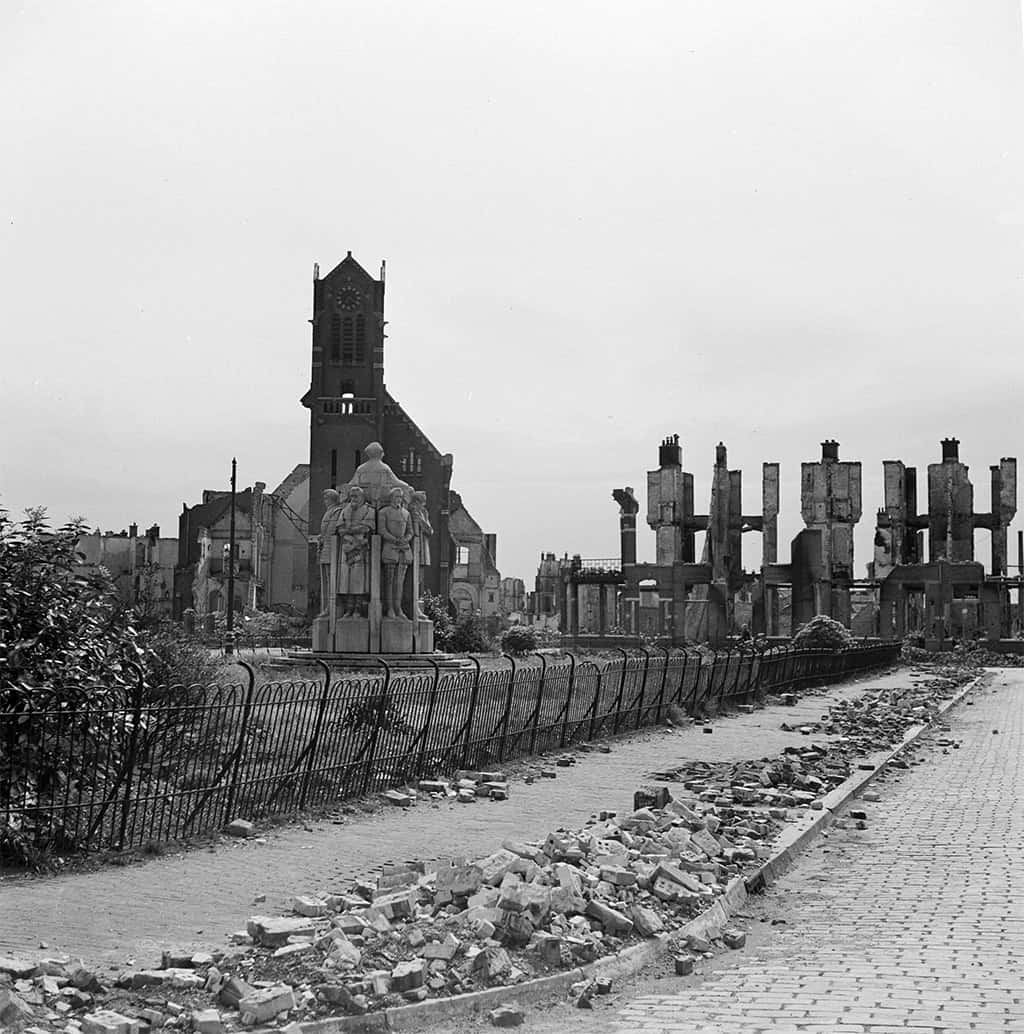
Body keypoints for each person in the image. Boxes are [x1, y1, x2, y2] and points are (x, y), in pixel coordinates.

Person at [336, 485, 375, 617]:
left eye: (356, 496)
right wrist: (351, 533)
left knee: (359, 580)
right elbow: (340, 529)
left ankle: (358, 607)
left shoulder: (369, 510)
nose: (353, 498)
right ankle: (349, 607)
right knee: (346, 580)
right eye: (351, 496)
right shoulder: (344, 510)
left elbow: (366, 528)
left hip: (361, 548)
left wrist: (350, 531)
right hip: (346, 548)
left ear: (362, 497)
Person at [378, 487, 413, 619]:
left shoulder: (406, 513)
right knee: (389, 581)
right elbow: (382, 530)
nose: (398, 499)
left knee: (400, 582)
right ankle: (390, 608)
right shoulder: (384, 512)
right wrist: (394, 539)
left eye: (400, 497)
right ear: (391, 498)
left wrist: (406, 539)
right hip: (390, 549)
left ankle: (398, 608)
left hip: (404, 550)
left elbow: (410, 531)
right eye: (396, 496)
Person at [317, 489, 345, 616]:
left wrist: (323, 538)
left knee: (332, 580)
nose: (324, 501)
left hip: (331, 549)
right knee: (327, 580)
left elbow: (332, 531)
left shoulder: (336, 511)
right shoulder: (330, 511)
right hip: (325, 549)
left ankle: (331, 607)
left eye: (326, 498)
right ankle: (327, 607)